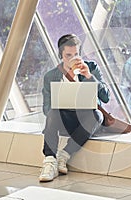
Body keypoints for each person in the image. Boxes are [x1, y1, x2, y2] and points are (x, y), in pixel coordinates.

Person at [39, 34, 110, 182]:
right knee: (52, 113)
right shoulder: (51, 76)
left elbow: (106, 97)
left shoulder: (91, 68)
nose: (73, 59)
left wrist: (89, 76)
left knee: (97, 115)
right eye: (68, 55)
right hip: (64, 121)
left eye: (76, 54)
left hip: (86, 120)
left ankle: (63, 155)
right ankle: (50, 160)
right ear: (61, 55)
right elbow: (46, 109)